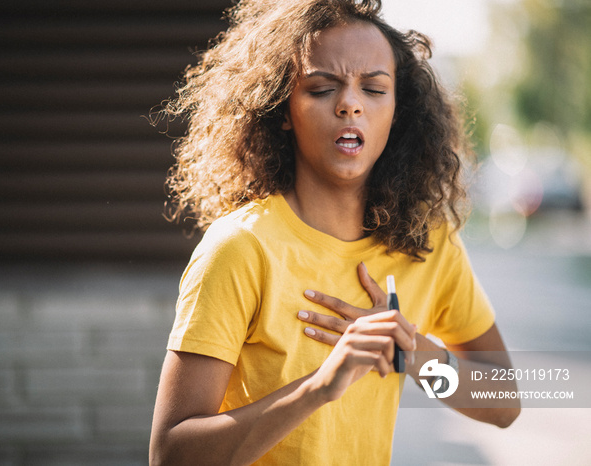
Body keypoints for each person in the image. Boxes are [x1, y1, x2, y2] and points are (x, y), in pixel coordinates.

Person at [150, 1, 520, 464]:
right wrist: (319, 387)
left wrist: (413, 350)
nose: (350, 103)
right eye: (323, 88)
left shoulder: (428, 244)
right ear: (282, 109)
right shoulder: (241, 249)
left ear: (397, 113)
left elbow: (505, 401)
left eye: (374, 89)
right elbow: (169, 454)